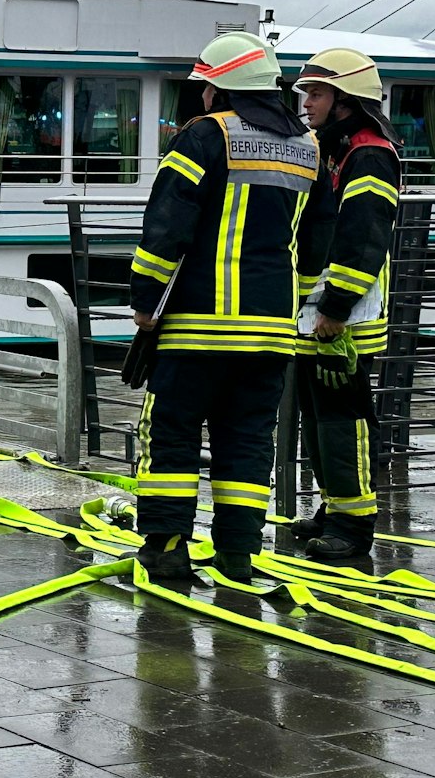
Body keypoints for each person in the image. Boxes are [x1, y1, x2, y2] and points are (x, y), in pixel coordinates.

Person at [130, 31, 320, 584]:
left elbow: (167, 228)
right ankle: (237, 557)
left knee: (173, 440)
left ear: (219, 89)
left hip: (197, 327)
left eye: (205, 87)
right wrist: (297, 302)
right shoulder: (306, 146)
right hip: (270, 335)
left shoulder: (204, 137)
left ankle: (166, 552)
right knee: (247, 443)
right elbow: (316, 242)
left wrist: (145, 300)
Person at [290, 48, 400, 561]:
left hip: (344, 316)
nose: (306, 102)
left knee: (344, 418)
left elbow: (363, 236)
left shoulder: (368, 152)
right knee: (318, 417)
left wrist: (334, 310)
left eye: (316, 93)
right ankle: (335, 508)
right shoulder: (334, 146)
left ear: (345, 99)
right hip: (321, 310)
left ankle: (354, 526)